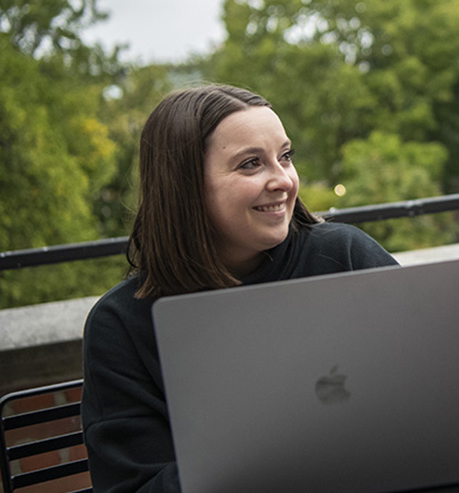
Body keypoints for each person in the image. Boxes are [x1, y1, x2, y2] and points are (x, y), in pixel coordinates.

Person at [81, 84, 399, 493]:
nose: (283, 180)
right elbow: (138, 487)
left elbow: (435, 388)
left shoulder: (343, 254)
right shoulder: (121, 325)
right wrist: (269, 434)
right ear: (186, 187)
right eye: (251, 164)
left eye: (285, 156)